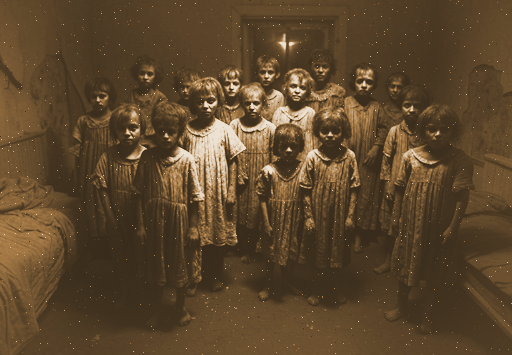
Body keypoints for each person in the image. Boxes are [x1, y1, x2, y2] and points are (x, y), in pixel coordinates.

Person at [384, 104, 473, 334]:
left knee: (434, 271)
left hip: (438, 226)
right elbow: (400, 189)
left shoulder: (460, 160)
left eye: (444, 130)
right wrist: (396, 216)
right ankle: (401, 306)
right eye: (432, 129)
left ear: (454, 132)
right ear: (423, 130)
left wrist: (453, 227)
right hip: (410, 223)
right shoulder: (409, 156)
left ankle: (428, 315)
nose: (438, 134)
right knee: (405, 265)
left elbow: (462, 197)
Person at [133, 101, 203, 328]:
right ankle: (156, 309)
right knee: (156, 266)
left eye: (171, 132)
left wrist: (193, 227)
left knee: (179, 263)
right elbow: (138, 195)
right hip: (154, 223)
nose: (165, 137)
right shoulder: (147, 158)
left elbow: (195, 198)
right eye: (161, 132)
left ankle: (180, 306)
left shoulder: (187, 160)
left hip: (179, 223)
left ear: (180, 132)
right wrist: (140, 225)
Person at [182, 77, 246, 294]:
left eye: (210, 101)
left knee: (216, 236)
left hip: (217, 192)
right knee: (194, 234)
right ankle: (194, 277)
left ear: (218, 101)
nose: (206, 106)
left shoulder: (225, 129)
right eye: (200, 102)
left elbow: (234, 160)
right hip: (194, 192)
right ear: (193, 104)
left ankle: (214, 275)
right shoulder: (186, 130)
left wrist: (231, 190)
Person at [298, 107, 360, 307]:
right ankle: (317, 288)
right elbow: (305, 189)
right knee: (318, 251)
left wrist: (350, 216)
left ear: (344, 132)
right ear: (318, 132)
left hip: (340, 214)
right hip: (318, 213)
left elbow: (354, 188)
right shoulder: (313, 157)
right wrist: (308, 217)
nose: (331, 136)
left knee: (338, 251)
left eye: (336, 131)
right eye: (325, 131)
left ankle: (334, 288)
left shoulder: (349, 156)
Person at [92, 103, 146, 308]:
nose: (127, 133)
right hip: (118, 218)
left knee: (143, 256)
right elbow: (101, 188)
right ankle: (125, 292)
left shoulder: (147, 156)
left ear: (142, 128)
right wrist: (110, 219)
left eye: (133, 128)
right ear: (114, 130)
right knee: (121, 256)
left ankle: (144, 293)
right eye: (121, 129)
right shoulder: (107, 156)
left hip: (142, 218)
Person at [374, 85, 430, 274]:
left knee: (414, 225)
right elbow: (386, 160)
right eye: (407, 105)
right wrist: (387, 184)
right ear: (401, 107)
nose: (412, 110)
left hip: (417, 186)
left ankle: (409, 263)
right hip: (395, 187)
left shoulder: (426, 133)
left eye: (417, 106)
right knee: (393, 224)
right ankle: (389, 260)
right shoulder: (394, 131)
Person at [256, 124, 305, 301]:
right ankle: (268, 284)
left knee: (291, 252)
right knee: (270, 253)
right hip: (273, 218)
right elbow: (262, 198)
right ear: (277, 148)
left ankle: (287, 281)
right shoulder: (269, 170)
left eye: (293, 146)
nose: (289, 151)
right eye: (284, 147)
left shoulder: (304, 169)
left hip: (294, 219)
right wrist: (267, 223)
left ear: (300, 147)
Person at [344, 63, 389, 253]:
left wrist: (376, 149)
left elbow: (384, 128)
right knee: (347, 193)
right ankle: (345, 233)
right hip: (348, 156)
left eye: (368, 82)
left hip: (368, 159)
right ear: (353, 82)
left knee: (366, 194)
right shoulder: (346, 103)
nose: (363, 85)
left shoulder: (377, 107)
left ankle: (359, 235)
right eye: (359, 81)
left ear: (374, 85)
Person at [230, 83, 276, 263]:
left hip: (261, 176)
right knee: (241, 214)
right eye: (247, 103)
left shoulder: (270, 128)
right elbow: (230, 154)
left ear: (263, 104)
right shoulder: (235, 126)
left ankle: (259, 246)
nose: (251, 107)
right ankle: (244, 248)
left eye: (256, 103)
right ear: (242, 104)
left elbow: (274, 156)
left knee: (259, 211)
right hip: (241, 176)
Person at [72, 77, 117, 260]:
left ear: (110, 97)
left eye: (102, 96)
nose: (97, 100)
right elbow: (76, 151)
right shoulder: (84, 121)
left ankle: (111, 246)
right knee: (91, 205)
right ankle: (95, 247)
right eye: (93, 96)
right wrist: (76, 176)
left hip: (110, 169)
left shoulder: (115, 119)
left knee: (109, 204)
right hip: (88, 170)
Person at [123, 55, 167, 146]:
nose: (145, 77)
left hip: (154, 140)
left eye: (150, 74)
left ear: (156, 76)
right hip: (133, 138)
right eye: (142, 73)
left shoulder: (160, 97)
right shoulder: (130, 97)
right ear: (136, 74)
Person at [272, 68, 316, 161]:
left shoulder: (310, 113)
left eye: (302, 88)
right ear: (286, 88)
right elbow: (275, 144)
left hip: (304, 163)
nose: (297, 91)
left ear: (307, 91)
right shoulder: (279, 112)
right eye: (293, 86)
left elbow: (313, 144)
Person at [254, 55, 285, 122]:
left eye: (270, 72)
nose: (266, 76)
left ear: (277, 75)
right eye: (262, 72)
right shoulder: (252, 95)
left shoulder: (279, 96)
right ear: (256, 74)